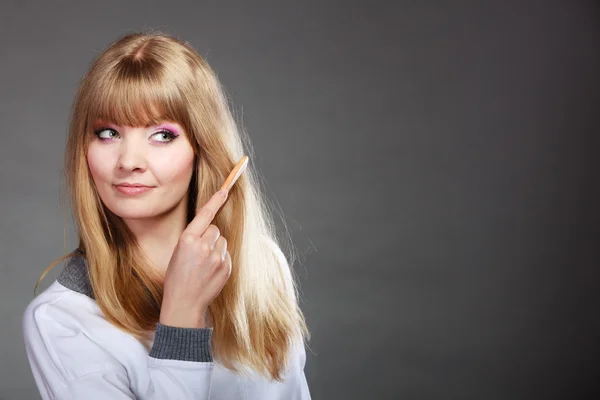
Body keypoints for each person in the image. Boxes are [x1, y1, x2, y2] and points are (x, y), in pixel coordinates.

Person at [22, 31, 311, 400]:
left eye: (161, 135)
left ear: (202, 148)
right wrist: (181, 320)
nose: (128, 162)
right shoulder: (61, 322)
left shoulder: (264, 266)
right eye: (108, 132)